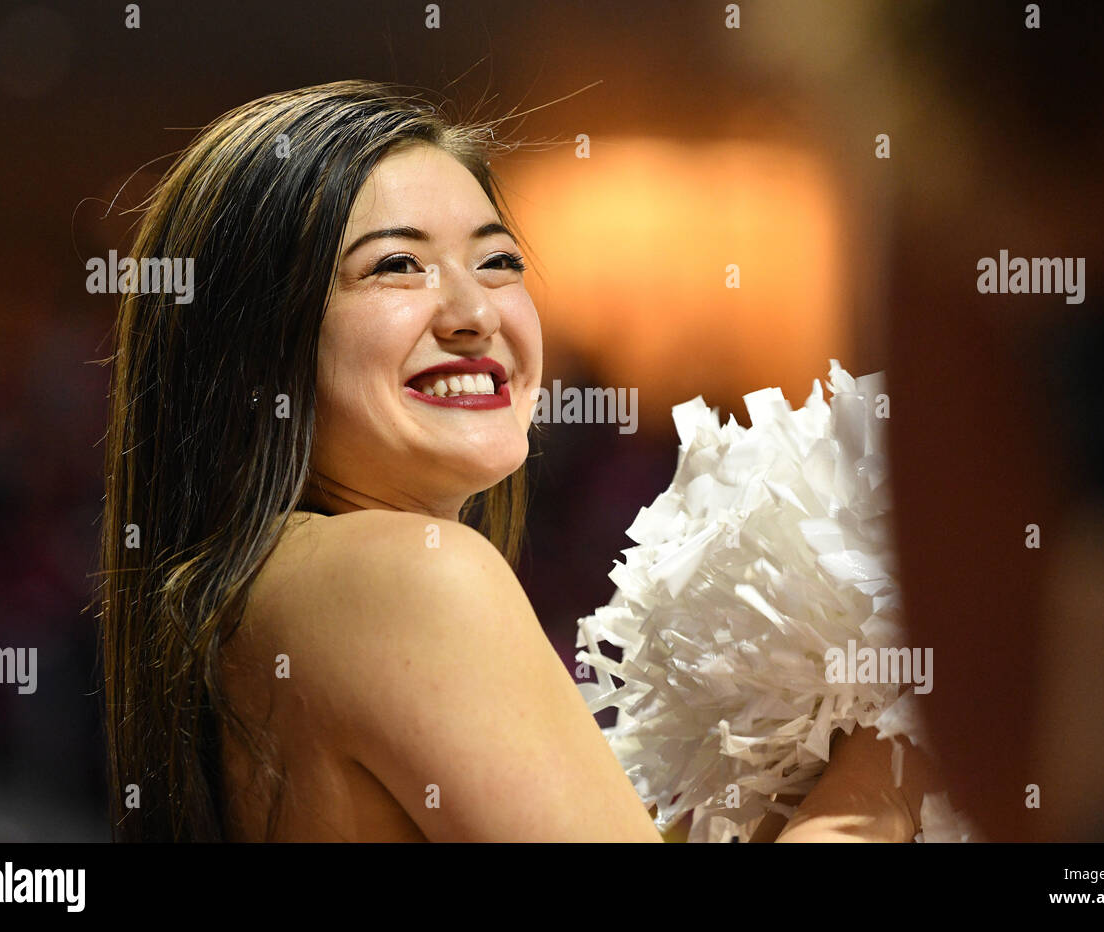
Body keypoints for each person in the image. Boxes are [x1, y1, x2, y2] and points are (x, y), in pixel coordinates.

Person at [98, 80, 933, 841]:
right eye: (396, 265)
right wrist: (898, 739)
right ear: (252, 349)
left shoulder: (255, 594)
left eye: (498, 261)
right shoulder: (405, 576)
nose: (473, 311)